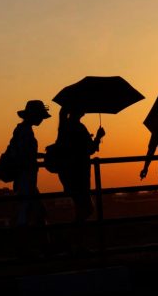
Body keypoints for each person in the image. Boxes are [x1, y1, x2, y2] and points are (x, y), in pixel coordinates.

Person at [55, 107, 105, 253]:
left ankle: (76, 244)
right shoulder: (78, 127)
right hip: (79, 174)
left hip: (68, 174)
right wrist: (98, 137)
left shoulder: (64, 126)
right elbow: (89, 149)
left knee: (81, 208)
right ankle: (70, 242)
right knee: (87, 209)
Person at [9, 99, 50, 257]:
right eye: (40, 116)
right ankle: (29, 249)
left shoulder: (21, 130)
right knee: (28, 213)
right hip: (26, 178)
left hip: (25, 178)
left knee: (34, 212)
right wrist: (43, 156)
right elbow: (25, 155)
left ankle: (40, 247)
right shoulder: (26, 132)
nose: (41, 119)